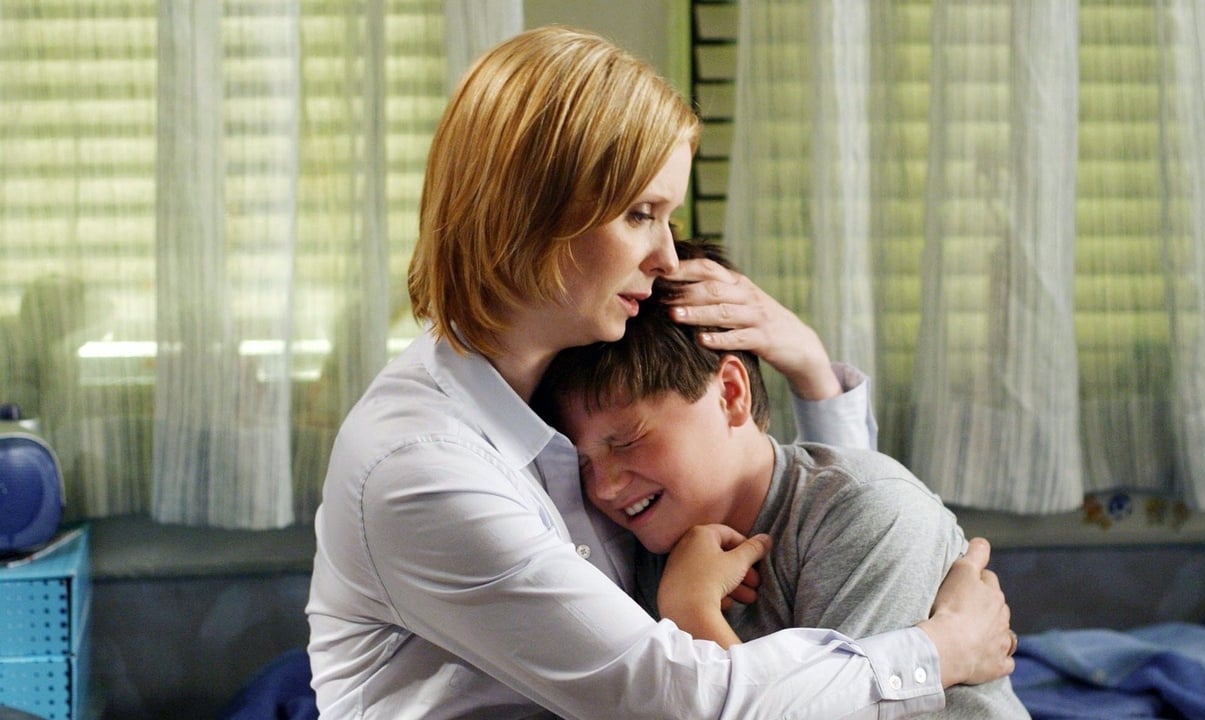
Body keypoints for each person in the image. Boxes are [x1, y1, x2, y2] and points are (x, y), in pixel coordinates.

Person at [306, 25, 1015, 720]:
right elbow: (677, 698)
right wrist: (941, 648)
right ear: (529, 214)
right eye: (641, 214)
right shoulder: (424, 469)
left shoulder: (557, 394)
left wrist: (807, 367)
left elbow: (823, 521)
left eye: (667, 218)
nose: (667, 258)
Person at [533, 239, 1029, 718]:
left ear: (730, 394)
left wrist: (690, 614)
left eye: (627, 441)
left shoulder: (868, 511)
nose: (605, 487)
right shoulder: (645, 551)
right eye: (583, 464)